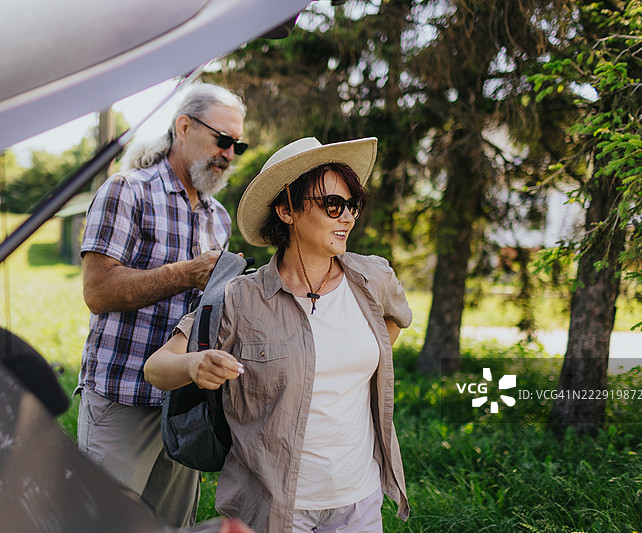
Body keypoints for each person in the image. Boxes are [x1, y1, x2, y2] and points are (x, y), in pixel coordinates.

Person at [145, 136, 413, 532]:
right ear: (286, 209)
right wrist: (195, 363)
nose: (348, 218)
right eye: (333, 205)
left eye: (352, 205)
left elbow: (394, 322)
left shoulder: (374, 278)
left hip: (360, 499)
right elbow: (157, 368)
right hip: (274, 507)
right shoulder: (240, 298)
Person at [75, 83, 247, 528]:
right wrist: (186, 273)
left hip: (183, 408)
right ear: (183, 127)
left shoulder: (219, 218)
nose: (229, 153)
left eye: (238, 145)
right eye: (222, 140)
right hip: (123, 400)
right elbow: (98, 292)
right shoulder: (126, 191)